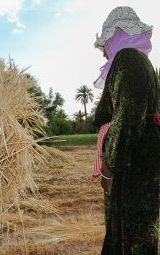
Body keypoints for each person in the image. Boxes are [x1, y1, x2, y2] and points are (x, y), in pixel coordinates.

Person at [92, 6, 160, 255]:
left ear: (116, 35)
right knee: (141, 231)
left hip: (132, 164)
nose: (103, 54)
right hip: (144, 160)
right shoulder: (144, 63)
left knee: (128, 234)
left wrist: (109, 168)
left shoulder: (127, 60)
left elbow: (127, 119)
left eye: (105, 43)